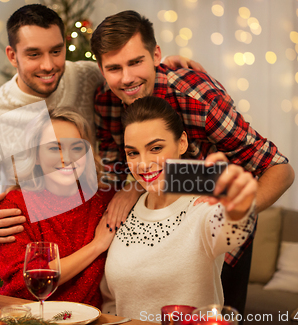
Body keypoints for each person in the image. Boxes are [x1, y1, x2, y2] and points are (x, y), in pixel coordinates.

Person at [90, 10, 295, 316]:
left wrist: (235, 209)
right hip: (157, 233)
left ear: (156, 54)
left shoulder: (198, 97)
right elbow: (118, 166)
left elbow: (280, 167)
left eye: (136, 62)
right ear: (101, 69)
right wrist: (133, 186)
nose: (127, 78)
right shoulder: (105, 102)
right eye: (114, 68)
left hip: (217, 229)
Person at [0, 4, 202, 244]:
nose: (48, 65)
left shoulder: (88, 76)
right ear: (12, 55)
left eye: (56, 51)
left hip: (97, 222)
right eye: (34, 54)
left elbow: (130, 70)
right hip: (34, 236)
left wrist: (166, 65)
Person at [101, 96, 258, 319]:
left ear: (182, 143)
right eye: (133, 153)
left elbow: (232, 231)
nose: (143, 163)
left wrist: (239, 205)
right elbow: (111, 301)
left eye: (155, 148)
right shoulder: (124, 210)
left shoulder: (203, 209)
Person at [0, 107, 116, 309]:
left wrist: (131, 192)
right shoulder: (17, 205)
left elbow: (155, 185)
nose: (67, 158)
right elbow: (23, 285)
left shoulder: (103, 199)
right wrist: (96, 246)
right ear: (37, 156)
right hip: (30, 318)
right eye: (54, 148)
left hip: (89, 320)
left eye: (76, 148)